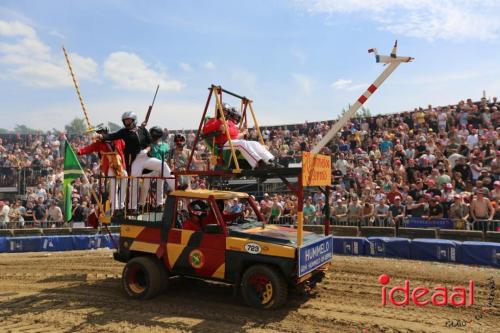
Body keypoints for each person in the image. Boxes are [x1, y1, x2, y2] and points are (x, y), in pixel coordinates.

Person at [98, 112, 174, 211]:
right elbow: (112, 136)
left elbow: (150, 142)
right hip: (134, 159)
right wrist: (102, 136)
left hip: (146, 156)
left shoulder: (142, 130)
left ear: (134, 120)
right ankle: (132, 207)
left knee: (162, 164)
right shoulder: (124, 132)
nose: (127, 122)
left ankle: (175, 186)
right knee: (134, 180)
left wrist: (146, 150)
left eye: (129, 120)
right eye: (125, 120)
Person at [202, 103, 276, 169]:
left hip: (232, 142)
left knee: (254, 143)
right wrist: (219, 124)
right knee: (241, 144)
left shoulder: (229, 122)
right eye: (223, 111)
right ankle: (259, 163)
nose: (225, 113)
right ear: (218, 111)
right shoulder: (213, 120)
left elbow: (235, 133)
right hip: (222, 145)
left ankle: (270, 160)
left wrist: (227, 130)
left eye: (226, 111)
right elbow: (206, 129)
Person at [77, 124, 127, 215]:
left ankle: (121, 205)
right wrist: (79, 151)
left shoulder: (118, 139)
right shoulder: (98, 143)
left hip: (120, 165)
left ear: (106, 132)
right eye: (98, 133)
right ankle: (115, 208)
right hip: (109, 165)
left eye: (100, 132)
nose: (99, 134)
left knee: (125, 180)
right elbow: (89, 148)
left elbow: (125, 148)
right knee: (113, 186)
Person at [140, 126, 172, 210]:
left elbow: (167, 158)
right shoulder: (149, 145)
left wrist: (169, 169)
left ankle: (159, 204)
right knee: (145, 185)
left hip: (160, 167)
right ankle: (141, 204)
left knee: (160, 185)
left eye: (154, 134)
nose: (153, 136)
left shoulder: (165, 145)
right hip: (149, 167)